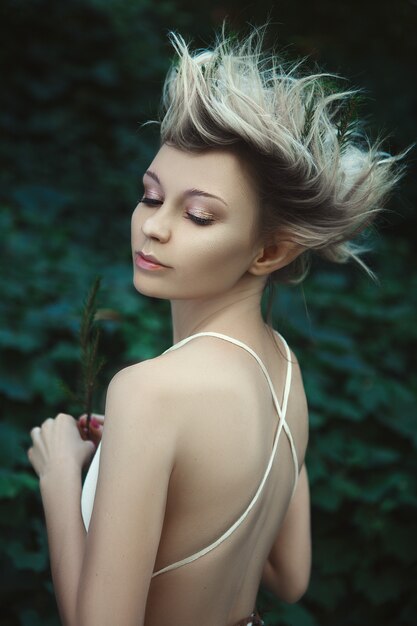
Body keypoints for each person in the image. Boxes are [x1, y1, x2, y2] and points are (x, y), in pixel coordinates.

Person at [27, 20, 405, 626]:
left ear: (269, 253)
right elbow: (291, 577)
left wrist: (59, 475)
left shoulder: (149, 392)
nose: (154, 226)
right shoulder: (284, 369)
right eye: (151, 196)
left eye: (199, 215)